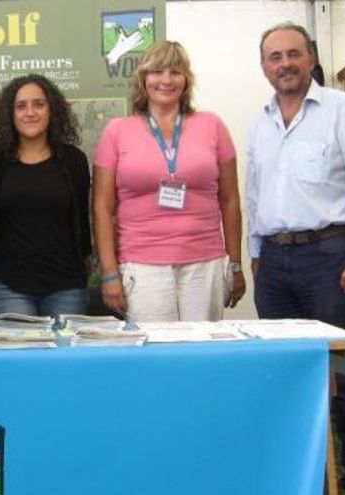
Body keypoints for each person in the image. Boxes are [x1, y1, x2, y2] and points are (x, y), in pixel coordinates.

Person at [247, 23, 345, 495]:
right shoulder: (259, 122)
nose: (284, 63)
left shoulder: (343, 109)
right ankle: (299, 476)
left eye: (293, 54)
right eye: (274, 57)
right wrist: (255, 254)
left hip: (334, 257)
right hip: (274, 262)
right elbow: (255, 195)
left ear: (310, 58)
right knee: (285, 373)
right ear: (264, 66)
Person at [93, 40, 244, 322]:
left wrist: (234, 265)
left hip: (205, 261)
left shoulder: (212, 125)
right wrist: (109, 272)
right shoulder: (117, 131)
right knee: (155, 354)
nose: (166, 80)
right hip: (142, 263)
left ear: (186, 80)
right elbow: (101, 208)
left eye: (175, 72)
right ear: (143, 79)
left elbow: (230, 199)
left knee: (202, 352)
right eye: (157, 71)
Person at [0, 74, 91, 323]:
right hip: (9, 287)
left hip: (66, 285)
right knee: (19, 359)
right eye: (21, 106)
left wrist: (82, 275)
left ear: (52, 110)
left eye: (39, 104)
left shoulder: (74, 161)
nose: (30, 112)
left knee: (66, 360)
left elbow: (82, 224)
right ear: (10, 113)